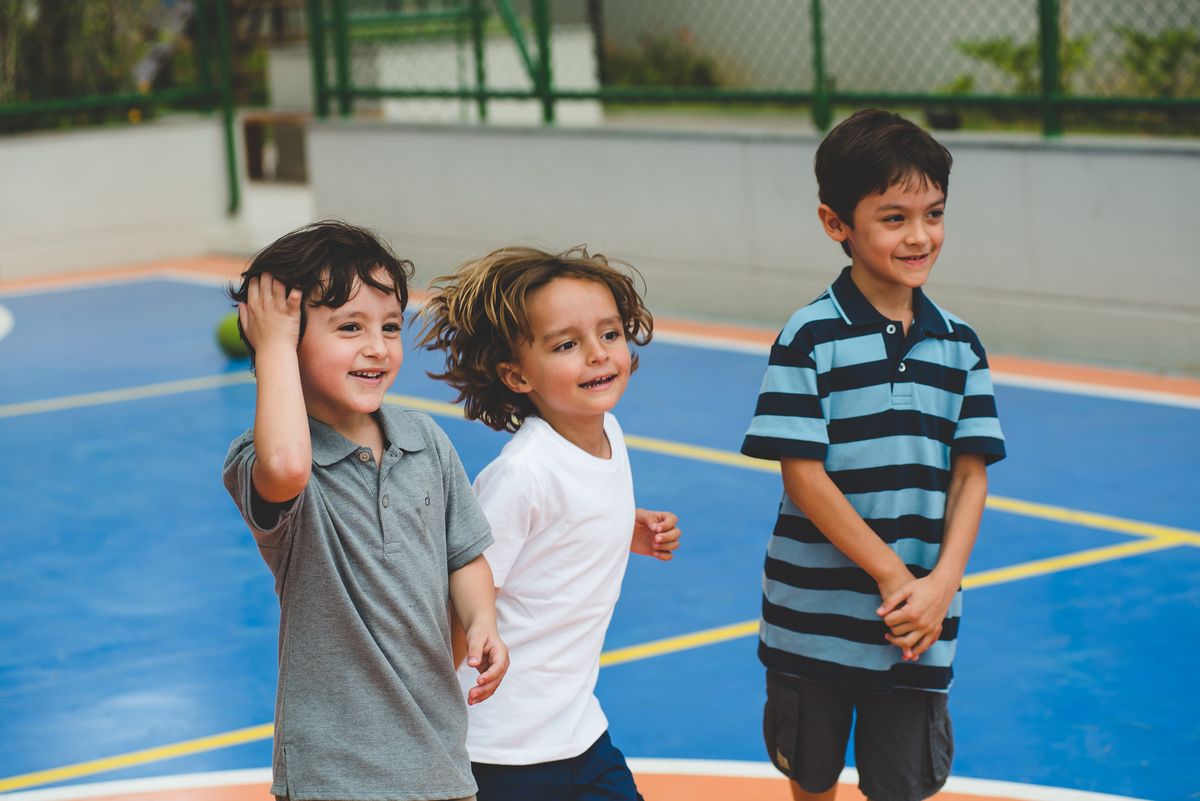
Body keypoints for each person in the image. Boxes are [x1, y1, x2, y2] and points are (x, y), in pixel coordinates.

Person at [741, 109, 1006, 801]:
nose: (920, 235)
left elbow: (971, 475)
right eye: (894, 218)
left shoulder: (961, 345)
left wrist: (939, 585)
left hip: (917, 624)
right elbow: (802, 473)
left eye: (934, 213)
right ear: (837, 223)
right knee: (813, 775)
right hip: (812, 621)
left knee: (904, 784)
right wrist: (892, 573)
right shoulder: (808, 337)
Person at [222, 221, 508, 801]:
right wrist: (273, 343)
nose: (377, 346)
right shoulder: (267, 459)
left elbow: (466, 557)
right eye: (349, 328)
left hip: (437, 759)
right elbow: (285, 467)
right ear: (285, 341)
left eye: (390, 327)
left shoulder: (425, 441)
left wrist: (482, 622)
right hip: (334, 773)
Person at [417, 246, 682, 801]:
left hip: (578, 730)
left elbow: (573, 512)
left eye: (610, 334)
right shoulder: (522, 475)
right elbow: (461, 591)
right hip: (501, 747)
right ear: (516, 374)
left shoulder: (608, 431)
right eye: (566, 344)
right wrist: (430, 724)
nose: (598, 355)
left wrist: (619, 526)